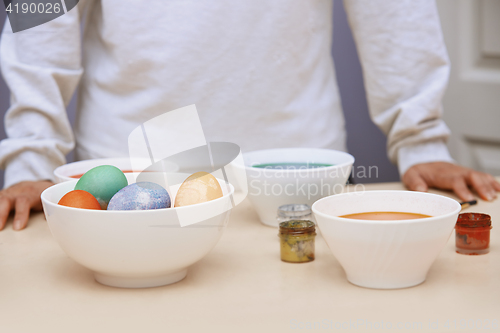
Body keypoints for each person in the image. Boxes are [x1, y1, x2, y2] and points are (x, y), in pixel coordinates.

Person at [0, 0, 499, 231]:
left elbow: (394, 10)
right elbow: (40, 11)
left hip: (293, 189)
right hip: (127, 195)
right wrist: (29, 159)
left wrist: (422, 139)